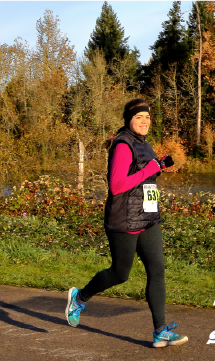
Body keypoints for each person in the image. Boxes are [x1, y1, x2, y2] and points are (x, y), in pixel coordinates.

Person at [65, 98, 188, 348]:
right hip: (124, 220)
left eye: (147, 117)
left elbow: (143, 174)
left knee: (157, 270)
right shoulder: (122, 144)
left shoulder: (144, 144)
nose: (144, 121)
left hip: (147, 216)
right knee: (120, 274)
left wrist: (158, 165)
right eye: (138, 117)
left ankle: (160, 331)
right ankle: (79, 297)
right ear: (129, 120)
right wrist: (149, 168)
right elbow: (117, 185)